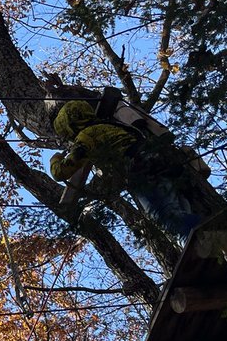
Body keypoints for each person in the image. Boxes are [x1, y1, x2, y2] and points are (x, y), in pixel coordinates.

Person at [48, 93, 203, 238]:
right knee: (180, 210)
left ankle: (209, 237)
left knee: (166, 217)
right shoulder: (109, 126)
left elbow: (60, 172)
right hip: (158, 164)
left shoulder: (87, 137)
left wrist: (54, 159)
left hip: (143, 173)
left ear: (70, 125)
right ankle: (204, 240)